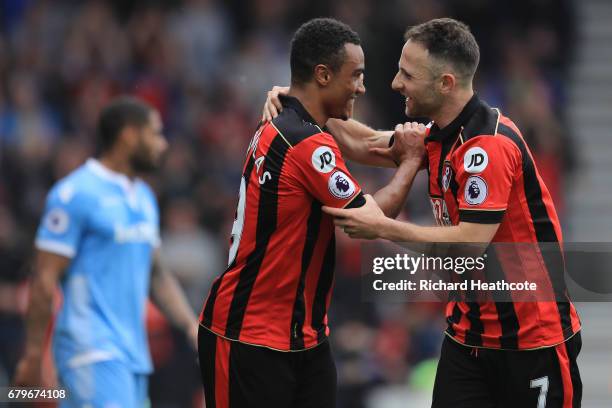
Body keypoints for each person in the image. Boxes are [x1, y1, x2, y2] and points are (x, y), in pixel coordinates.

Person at [264, 17, 582, 408]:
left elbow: (470, 244)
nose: (396, 83)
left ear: (445, 83)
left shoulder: (488, 147)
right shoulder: (436, 137)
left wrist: (385, 226)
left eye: (407, 74)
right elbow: (364, 144)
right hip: (468, 339)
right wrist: (298, 98)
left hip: (533, 341)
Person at [197, 18, 424, 408]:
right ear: (322, 75)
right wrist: (411, 160)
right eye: (356, 75)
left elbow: (369, 142)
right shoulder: (304, 142)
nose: (362, 86)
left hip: (304, 337)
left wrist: (422, 144)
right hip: (249, 336)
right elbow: (368, 221)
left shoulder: (290, 119)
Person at [14, 97, 199, 407]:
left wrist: (190, 325)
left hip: (134, 357)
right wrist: (34, 357)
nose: (163, 144)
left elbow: (156, 275)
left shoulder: (143, 197)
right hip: (90, 350)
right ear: (128, 135)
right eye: (155, 134)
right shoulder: (74, 194)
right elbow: (44, 279)